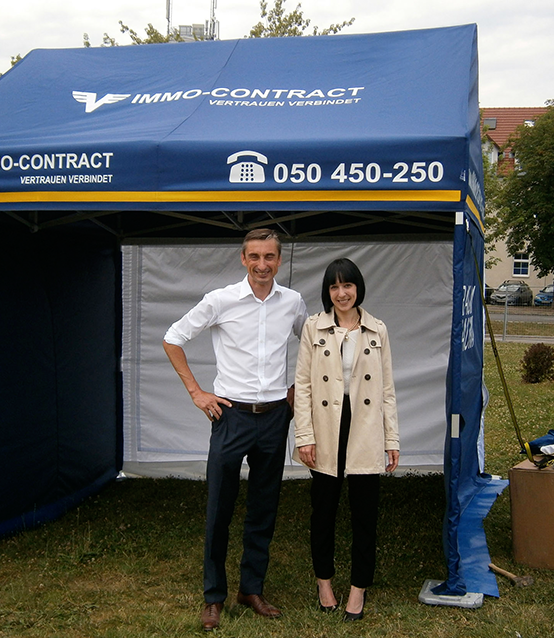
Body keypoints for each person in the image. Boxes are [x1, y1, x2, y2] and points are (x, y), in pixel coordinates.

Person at [163, 228, 307, 631]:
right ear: (243, 259)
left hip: (275, 416)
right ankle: (213, 597)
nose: (262, 264)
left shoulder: (293, 302)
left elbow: (314, 344)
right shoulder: (220, 300)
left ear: (279, 260)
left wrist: (297, 389)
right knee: (219, 509)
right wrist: (196, 392)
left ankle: (251, 589)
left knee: (264, 507)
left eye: (269, 257)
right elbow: (173, 339)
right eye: (254, 256)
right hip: (231, 417)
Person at [293, 257, 399, 622]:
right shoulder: (313, 328)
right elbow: (303, 386)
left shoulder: (377, 329)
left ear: (358, 288)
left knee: (365, 515)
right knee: (323, 512)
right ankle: (324, 583)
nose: (342, 293)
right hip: (326, 427)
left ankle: (358, 589)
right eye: (334, 286)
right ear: (328, 292)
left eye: (348, 285)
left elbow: (387, 390)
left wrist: (391, 439)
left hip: (365, 427)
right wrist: (304, 435)